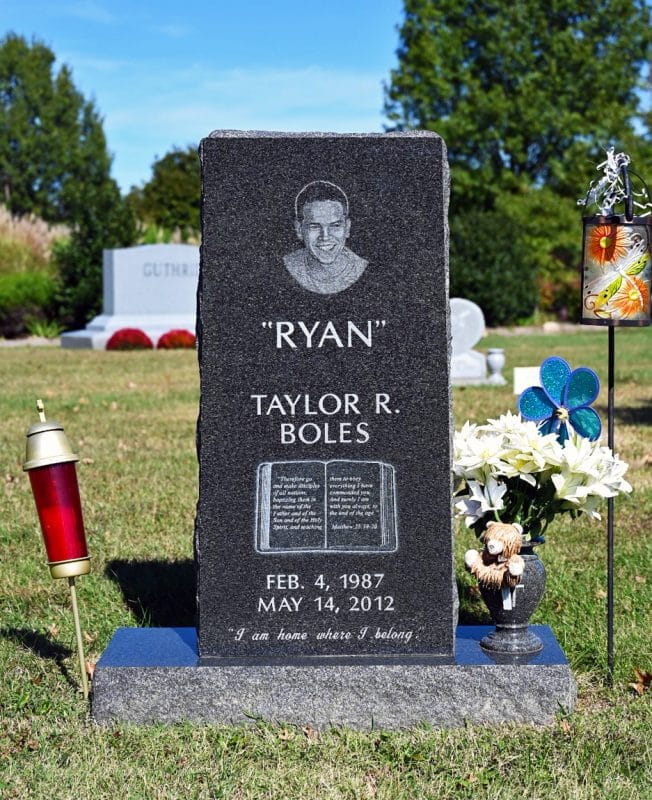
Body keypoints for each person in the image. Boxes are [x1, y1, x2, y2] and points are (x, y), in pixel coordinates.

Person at [283, 180, 367, 295]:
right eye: (314, 226)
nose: (325, 236)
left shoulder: (365, 271)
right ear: (299, 229)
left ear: (347, 228)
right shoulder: (283, 268)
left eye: (335, 226)